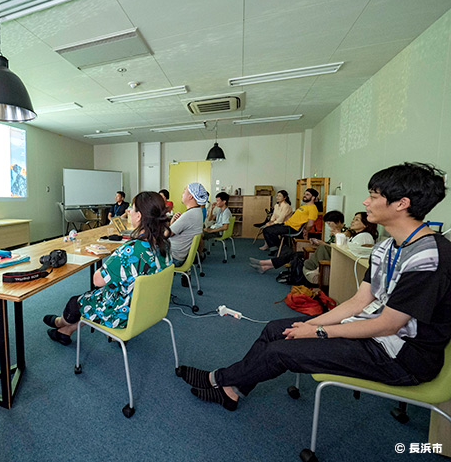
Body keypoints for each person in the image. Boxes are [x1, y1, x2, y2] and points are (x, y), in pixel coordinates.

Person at [178, 162, 449, 412]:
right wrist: (312, 325)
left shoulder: (428, 257)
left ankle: (220, 379)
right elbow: (358, 302)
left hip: (399, 356)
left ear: (402, 203)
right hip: (374, 335)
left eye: (374, 196)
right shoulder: (387, 246)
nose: (366, 201)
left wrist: (318, 330)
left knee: (278, 351)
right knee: (276, 329)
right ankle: (231, 389)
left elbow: (389, 325)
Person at [43, 191, 172, 345]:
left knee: (77, 302)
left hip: (122, 313)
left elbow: (97, 280)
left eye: (133, 208)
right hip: (147, 308)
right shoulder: (164, 245)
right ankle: (65, 332)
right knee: (98, 297)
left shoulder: (130, 250)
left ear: (139, 216)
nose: (129, 211)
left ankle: (60, 322)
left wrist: (114, 258)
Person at [251, 210, 379, 283]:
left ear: (365, 224)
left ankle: (266, 264)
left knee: (295, 254)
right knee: (295, 254)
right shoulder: (352, 234)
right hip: (334, 256)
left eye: (356, 219)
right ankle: (266, 265)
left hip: (340, 262)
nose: (353, 221)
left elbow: (345, 250)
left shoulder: (355, 234)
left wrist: (332, 239)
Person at [261, 188, 319, 252]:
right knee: (266, 229)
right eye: (304, 194)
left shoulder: (313, 209)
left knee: (268, 230)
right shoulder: (303, 206)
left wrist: (306, 230)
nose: (304, 195)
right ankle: (275, 248)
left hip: (292, 228)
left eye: (307, 194)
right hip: (286, 224)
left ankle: (281, 248)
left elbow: (310, 223)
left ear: (313, 197)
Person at [169, 183, 207, 267]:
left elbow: (167, 234)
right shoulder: (197, 212)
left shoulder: (189, 215)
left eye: (184, 191)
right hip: (179, 255)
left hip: (173, 257)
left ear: (191, 196)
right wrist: (173, 221)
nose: (182, 194)